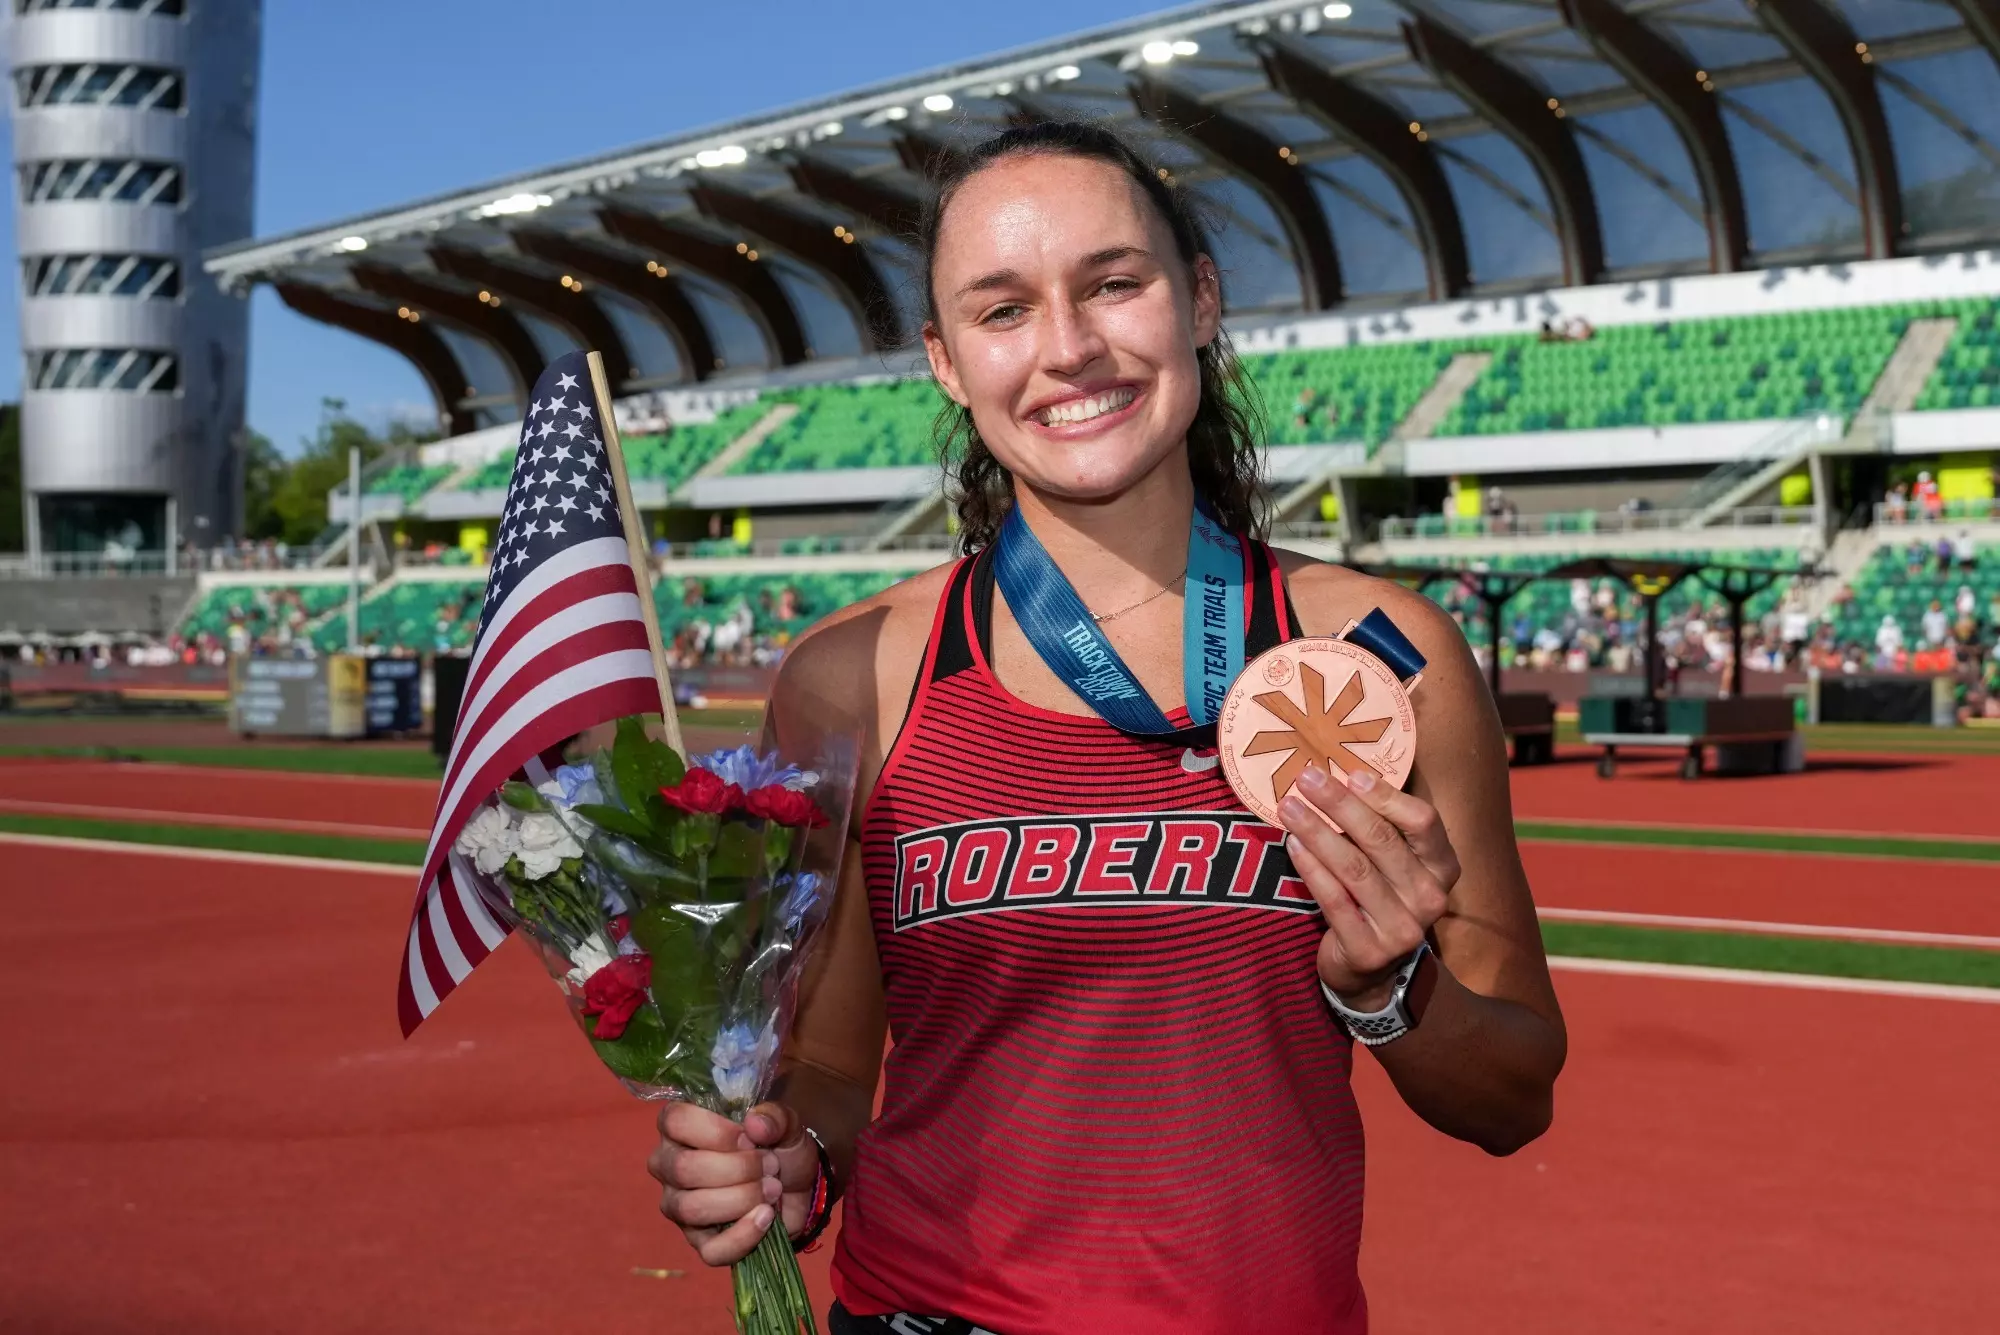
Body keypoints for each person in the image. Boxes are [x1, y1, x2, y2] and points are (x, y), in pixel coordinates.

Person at [647, 121, 1565, 1334]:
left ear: (1196, 299)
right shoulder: (850, 675)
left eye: (1112, 283)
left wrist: (1387, 984)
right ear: (943, 360)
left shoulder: (1377, 663)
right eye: (1002, 310)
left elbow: (1511, 1093)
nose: (1068, 350)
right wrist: (785, 1153)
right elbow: (827, 1071)